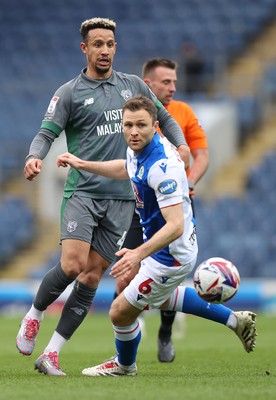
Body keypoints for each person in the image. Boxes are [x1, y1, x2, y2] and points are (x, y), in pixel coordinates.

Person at [15, 18, 190, 377]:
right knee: (72, 265)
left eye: (110, 44)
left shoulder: (133, 86)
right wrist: (35, 156)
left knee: (93, 277)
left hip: (124, 201)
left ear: (115, 46)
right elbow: (46, 132)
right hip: (83, 191)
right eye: (97, 44)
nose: (105, 50)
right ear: (85, 49)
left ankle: (51, 354)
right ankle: (34, 315)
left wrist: (182, 145)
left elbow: (165, 119)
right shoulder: (69, 92)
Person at [57, 95, 257, 377]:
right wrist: (84, 164)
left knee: (119, 312)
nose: (134, 131)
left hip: (170, 255)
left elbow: (174, 225)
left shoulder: (163, 168)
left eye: (141, 125)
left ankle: (125, 365)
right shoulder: (137, 148)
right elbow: (125, 168)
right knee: (162, 297)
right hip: (167, 246)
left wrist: (138, 254)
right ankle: (235, 321)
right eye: (128, 125)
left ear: (155, 126)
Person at [113, 58, 209, 362]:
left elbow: (201, 155)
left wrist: (187, 184)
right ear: (148, 84)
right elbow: (129, 162)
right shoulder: (139, 112)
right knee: (122, 276)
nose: (173, 87)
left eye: (175, 81)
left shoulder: (183, 113)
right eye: (166, 82)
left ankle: (163, 334)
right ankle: (131, 322)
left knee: (168, 272)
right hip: (142, 207)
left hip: (174, 202)